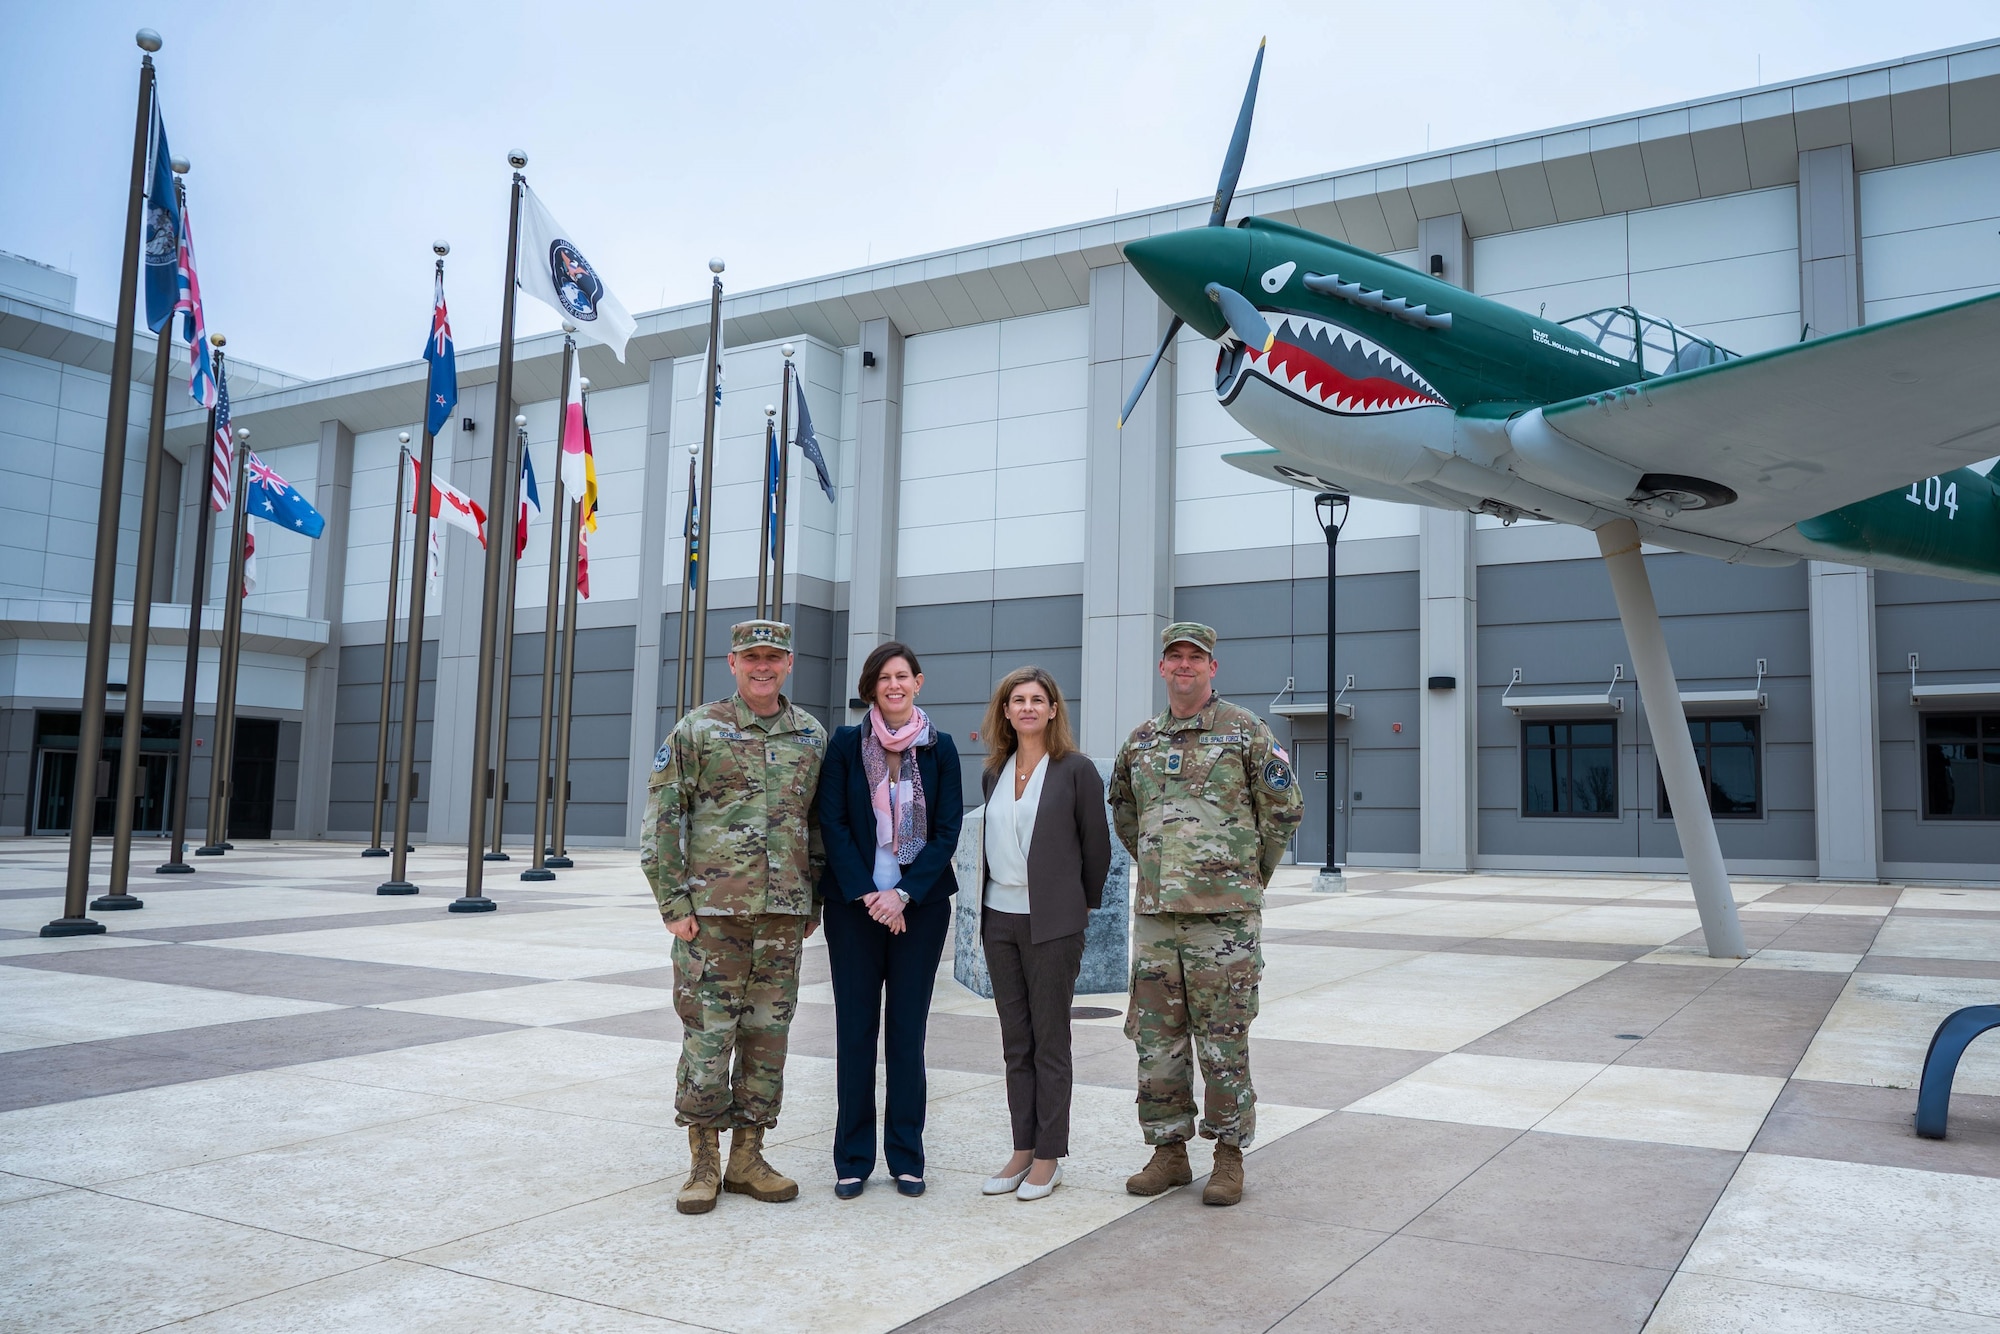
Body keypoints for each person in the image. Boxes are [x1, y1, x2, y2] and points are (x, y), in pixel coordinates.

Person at [1108, 622, 1303, 1207]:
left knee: (1223, 1038)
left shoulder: (1246, 732)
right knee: (1156, 1039)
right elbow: (1122, 809)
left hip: (1225, 923)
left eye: (1196, 658)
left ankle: (1228, 1155)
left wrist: (1246, 879)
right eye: (1175, 658)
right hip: (1157, 918)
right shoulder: (1141, 741)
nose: (1185, 666)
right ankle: (1169, 1153)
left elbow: (1284, 810)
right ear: (1162, 668)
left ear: (1212, 668)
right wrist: (1156, 868)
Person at [642, 619, 828, 1217]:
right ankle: (703, 1163)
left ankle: (749, 1156)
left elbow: (818, 826)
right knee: (708, 1037)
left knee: (768, 1038)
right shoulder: (698, 730)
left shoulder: (810, 735)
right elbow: (663, 820)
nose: (763, 667)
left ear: (790, 662)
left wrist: (813, 900)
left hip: (782, 916)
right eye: (753, 658)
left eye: (774, 657)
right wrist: (674, 906)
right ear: (732, 663)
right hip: (713, 919)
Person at [819, 641, 963, 1198]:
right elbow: (832, 823)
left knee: (907, 1034)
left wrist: (902, 894)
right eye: (884, 678)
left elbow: (947, 830)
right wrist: (869, 895)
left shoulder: (941, 748)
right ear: (871, 687)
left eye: (903, 676)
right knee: (856, 1035)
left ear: (918, 683)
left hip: (919, 910)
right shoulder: (846, 745)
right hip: (855, 910)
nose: (894, 685)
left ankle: (906, 1155)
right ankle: (853, 1158)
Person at [976, 666, 1110, 1203]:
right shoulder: (994, 772)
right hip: (998, 920)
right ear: (1005, 711)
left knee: (1051, 1042)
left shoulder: (1076, 770)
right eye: (1017, 700)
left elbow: (1095, 848)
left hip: (1052, 924)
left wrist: (1076, 908)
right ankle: (1022, 1147)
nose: (1027, 707)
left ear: (1053, 710)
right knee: (1016, 1044)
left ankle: (1049, 1155)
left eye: (1038, 699)